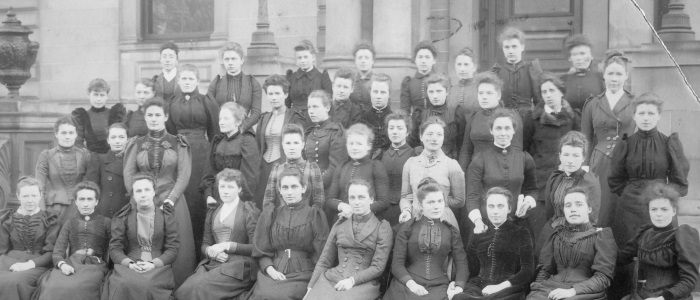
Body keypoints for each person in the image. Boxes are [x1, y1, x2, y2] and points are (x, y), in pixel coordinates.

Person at [123, 97, 195, 287]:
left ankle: (177, 288)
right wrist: (139, 197)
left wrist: (171, 200)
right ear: (145, 117)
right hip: (143, 200)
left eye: (157, 115)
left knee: (175, 246)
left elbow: (183, 175)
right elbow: (129, 174)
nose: (154, 119)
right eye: (150, 115)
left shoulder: (177, 142)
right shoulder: (136, 143)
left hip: (172, 200)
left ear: (165, 117)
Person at [608, 93, 689, 247]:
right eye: (641, 113)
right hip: (629, 209)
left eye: (651, 113)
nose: (646, 118)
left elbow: (679, 179)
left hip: (660, 205)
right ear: (634, 116)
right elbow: (616, 178)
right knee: (628, 252)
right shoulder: (626, 144)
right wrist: (629, 192)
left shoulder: (668, 143)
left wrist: (665, 197)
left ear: (659, 116)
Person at [174, 169, 261, 300]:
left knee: (200, 288)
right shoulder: (213, 211)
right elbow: (205, 244)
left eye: (230, 187)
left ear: (239, 188)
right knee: (184, 290)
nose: (225, 191)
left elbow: (256, 248)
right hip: (214, 263)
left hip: (239, 266)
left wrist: (228, 245)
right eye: (222, 186)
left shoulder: (248, 210)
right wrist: (211, 251)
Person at [245, 168, 330, 300]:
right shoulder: (271, 214)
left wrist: (314, 281)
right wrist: (270, 269)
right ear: (279, 190)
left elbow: (322, 254)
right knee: (261, 295)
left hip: (304, 273)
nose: (289, 192)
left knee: (284, 296)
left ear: (303, 188)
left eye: (294, 187)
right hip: (273, 270)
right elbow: (261, 249)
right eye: (285, 187)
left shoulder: (315, 215)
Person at [304, 179, 393, 300]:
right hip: (333, 278)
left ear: (371, 199)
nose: (356, 202)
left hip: (362, 283)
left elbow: (378, 267)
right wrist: (310, 288)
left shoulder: (382, 227)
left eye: (361, 197)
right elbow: (325, 261)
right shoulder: (340, 224)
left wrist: (352, 281)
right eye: (352, 198)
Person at [527, 186, 617, 300]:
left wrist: (572, 291)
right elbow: (544, 271)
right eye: (568, 205)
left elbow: (603, 278)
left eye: (579, 204)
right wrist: (537, 291)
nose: (573, 209)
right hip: (551, 288)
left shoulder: (601, 236)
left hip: (585, 293)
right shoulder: (557, 236)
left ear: (589, 209)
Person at [384, 177, 467, 300]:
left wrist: (458, 287)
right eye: (430, 202)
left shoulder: (451, 231)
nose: (436, 206)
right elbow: (397, 264)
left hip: (439, 287)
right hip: (407, 285)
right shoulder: (408, 228)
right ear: (420, 204)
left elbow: (461, 263)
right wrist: (411, 284)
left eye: (440, 201)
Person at [167, 63, 220, 255]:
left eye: (191, 79)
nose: (187, 82)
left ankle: (201, 251)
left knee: (199, 200)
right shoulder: (171, 102)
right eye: (183, 79)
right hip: (180, 153)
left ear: (197, 81)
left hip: (201, 155)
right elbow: (171, 131)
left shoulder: (207, 101)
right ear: (178, 81)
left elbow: (215, 132)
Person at [581, 50, 636, 228]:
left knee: (622, 209)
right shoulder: (592, 104)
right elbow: (586, 138)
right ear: (603, 75)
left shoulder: (634, 103)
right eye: (610, 73)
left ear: (626, 76)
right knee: (601, 207)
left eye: (619, 74)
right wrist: (585, 167)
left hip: (625, 161)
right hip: (600, 162)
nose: (614, 78)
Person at [102, 174, 179, 300]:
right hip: (130, 265)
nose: (143, 194)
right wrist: (130, 263)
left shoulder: (166, 216)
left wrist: (153, 264)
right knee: (123, 283)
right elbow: (115, 248)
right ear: (133, 195)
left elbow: (173, 248)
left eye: (147, 190)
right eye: (138, 191)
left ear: (154, 192)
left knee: (147, 285)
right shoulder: (123, 217)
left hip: (158, 267)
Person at [616, 183, 700, 300]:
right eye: (654, 209)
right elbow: (621, 258)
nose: (658, 214)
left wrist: (662, 298)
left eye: (664, 209)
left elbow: (689, 280)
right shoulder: (644, 234)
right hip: (642, 296)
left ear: (674, 211)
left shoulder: (682, 235)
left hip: (671, 297)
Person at [453, 187, 534, 300]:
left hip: (508, 289)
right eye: (491, 206)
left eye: (500, 206)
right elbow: (470, 267)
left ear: (509, 208)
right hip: (478, 287)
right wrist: (456, 283)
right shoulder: (478, 233)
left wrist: (499, 287)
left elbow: (528, 270)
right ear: (486, 208)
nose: (495, 211)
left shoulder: (521, 233)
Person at [465, 108, 537, 235]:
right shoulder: (480, 160)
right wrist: (478, 222)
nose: (503, 133)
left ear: (514, 130)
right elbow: (472, 196)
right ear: (491, 131)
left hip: (518, 223)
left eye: (507, 128)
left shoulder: (524, 158)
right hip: (488, 224)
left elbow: (532, 189)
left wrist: (528, 203)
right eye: (498, 128)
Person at [35, 181, 111, 300]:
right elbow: (58, 251)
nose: (85, 204)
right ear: (76, 202)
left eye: (90, 199)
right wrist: (62, 264)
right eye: (81, 199)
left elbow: (115, 248)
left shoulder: (106, 222)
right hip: (71, 264)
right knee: (52, 286)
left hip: (95, 266)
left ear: (96, 202)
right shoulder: (69, 223)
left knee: (79, 287)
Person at [528, 73, 579, 237]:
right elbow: (526, 151)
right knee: (541, 234)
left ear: (561, 92)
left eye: (552, 90)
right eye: (544, 92)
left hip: (567, 181)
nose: (548, 95)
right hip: (541, 184)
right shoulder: (532, 119)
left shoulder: (573, 118)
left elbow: (581, 148)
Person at [537, 131, 600, 256]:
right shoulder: (555, 178)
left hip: (578, 234)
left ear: (583, 158)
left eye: (576, 156)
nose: (570, 160)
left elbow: (592, 218)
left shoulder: (590, 181)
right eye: (566, 155)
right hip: (552, 230)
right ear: (560, 156)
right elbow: (550, 211)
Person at [399, 117, 465, 230]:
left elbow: (459, 201)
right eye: (429, 134)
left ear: (443, 138)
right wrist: (406, 210)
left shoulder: (452, 165)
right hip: (416, 221)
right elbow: (405, 196)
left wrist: (435, 202)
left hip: (443, 222)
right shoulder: (410, 164)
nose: (434, 138)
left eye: (439, 135)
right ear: (421, 136)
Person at [0, 176, 59, 300]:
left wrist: (29, 264)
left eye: (33, 196)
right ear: (18, 196)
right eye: (25, 196)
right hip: (7, 261)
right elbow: (2, 250)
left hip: (37, 264)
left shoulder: (50, 219)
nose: (30, 200)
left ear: (40, 195)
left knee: (14, 281)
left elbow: (51, 253)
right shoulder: (7, 219)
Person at [458, 72, 526, 172]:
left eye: (489, 93)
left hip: (499, 172)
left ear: (498, 95)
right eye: (481, 93)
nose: (484, 97)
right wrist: (462, 174)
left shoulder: (510, 117)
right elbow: (466, 151)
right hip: (475, 172)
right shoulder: (474, 117)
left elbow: (516, 151)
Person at [254, 74, 304, 205]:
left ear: (285, 95)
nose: (274, 97)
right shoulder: (264, 118)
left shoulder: (294, 117)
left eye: (277, 93)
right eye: (270, 94)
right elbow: (258, 146)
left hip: (284, 166)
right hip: (263, 168)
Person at [200, 102, 261, 208]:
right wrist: (209, 196)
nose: (221, 122)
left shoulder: (247, 142)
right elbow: (208, 174)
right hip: (216, 199)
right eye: (220, 119)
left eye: (226, 119)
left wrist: (235, 202)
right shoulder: (217, 141)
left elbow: (250, 179)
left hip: (239, 201)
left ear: (238, 122)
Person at [326, 123, 390, 223]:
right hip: (343, 219)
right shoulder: (341, 167)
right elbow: (330, 199)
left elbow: (384, 202)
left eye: (359, 144)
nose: (354, 147)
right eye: (351, 144)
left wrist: (357, 212)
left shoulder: (376, 167)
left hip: (368, 221)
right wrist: (343, 206)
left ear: (369, 146)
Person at [36, 116, 91, 224]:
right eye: (63, 133)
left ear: (76, 134)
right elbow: (39, 187)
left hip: (79, 208)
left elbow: (91, 183)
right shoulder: (46, 156)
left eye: (71, 133)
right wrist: (41, 214)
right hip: (55, 210)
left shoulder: (84, 155)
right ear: (56, 134)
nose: (67, 137)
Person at [262, 123, 325, 210]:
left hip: (306, 220)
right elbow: (268, 201)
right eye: (288, 143)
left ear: (302, 145)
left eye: (296, 143)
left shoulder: (312, 168)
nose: (292, 147)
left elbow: (319, 201)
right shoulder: (276, 170)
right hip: (281, 220)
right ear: (283, 145)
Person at [491, 27, 542, 133]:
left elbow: (539, 101)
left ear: (522, 47)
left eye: (514, 46)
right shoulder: (497, 72)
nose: (510, 51)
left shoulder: (531, 69)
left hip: (527, 121)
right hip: (503, 122)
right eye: (507, 47)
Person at [376, 112, 421, 226]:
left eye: (400, 128)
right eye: (391, 128)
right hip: (383, 210)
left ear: (408, 132)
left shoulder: (415, 154)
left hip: (406, 210)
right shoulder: (381, 155)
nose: (395, 132)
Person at [207, 42, 262, 133]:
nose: (230, 63)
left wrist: (241, 128)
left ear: (241, 60)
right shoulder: (216, 83)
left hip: (244, 132)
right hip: (222, 133)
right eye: (227, 59)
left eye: (234, 59)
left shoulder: (252, 83)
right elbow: (210, 111)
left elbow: (256, 113)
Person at [409, 73, 462, 159]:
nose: (435, 96)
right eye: (431, 92)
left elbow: (462, 145)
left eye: (439, 91)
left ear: (447, 92)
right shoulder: (420, 114)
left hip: (449, 162)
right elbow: (412, 141)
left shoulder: (456, 113)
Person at [304, 90, 348, 189]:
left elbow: (336, 167)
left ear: (327, 107)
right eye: (309, 107)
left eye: (315, 107)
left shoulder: (336, 132)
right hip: (307, 186)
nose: (311, 111)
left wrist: (315, 187)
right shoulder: (309, 133)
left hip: (327, 188)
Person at [86, 123, 130, 218]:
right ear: (108, 140)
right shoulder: (98, 160)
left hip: (128, 212)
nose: (117, 141)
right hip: (105, 213)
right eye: (113, 137)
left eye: (121, 137)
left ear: (127, 139)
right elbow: (91, 189)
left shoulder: (133, 161)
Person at [285, 40, 333, 129]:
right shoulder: (291, 78)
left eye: (306, 57)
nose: (303, 61)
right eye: (299, 58)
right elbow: (286, 104)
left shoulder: (322, 77)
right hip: (293, 120)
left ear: (313, 57)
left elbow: (328, 103)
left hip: (315, 121)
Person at [71, 78, 126, 154]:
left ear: (107, 96)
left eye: (102, 95)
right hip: (91, 159)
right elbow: (78, 142)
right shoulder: (81, 115)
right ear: (88, 95)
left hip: (113, 159)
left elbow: (124, 140)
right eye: (95, 95)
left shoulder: (115, 114)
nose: (99, 99)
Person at [560, 34, 604, 114]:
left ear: (591, 56)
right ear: (570, 58)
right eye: (575, 54)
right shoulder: (563, 81)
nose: (579, 58)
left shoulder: (600, 79)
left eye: (583, 53)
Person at [358, 72, 393, 155]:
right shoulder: (363, 119)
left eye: (383, 92)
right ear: (370, 93)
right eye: (375, 92)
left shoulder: (394, 119)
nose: (378, 96)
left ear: (389, 94)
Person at [452, 47, 479, 150]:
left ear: (474, 67)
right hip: (455, 142)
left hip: (474, 140)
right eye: (459, 65)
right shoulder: (450, 91)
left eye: (466, 65)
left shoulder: (479, 90)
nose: (462, 69)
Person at [401, 40, 437, 117]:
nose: (423, 61)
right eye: (420, 57)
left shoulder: (441, 81)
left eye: (427, 57)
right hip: (416, 124)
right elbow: (404, 110)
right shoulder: (409, 82)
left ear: (434, 60)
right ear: (415, 60)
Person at [349, 41, 375, 109]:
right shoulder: (350, 81)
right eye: (360, 58)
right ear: (355, 61)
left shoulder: (378, 81)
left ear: (372, 61)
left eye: (367, 58)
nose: (363, 61)